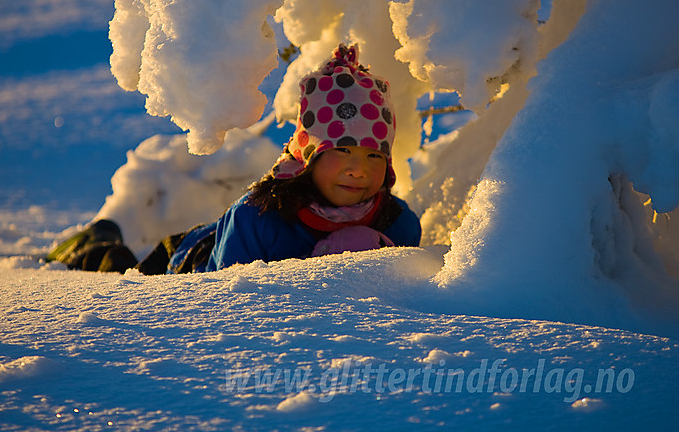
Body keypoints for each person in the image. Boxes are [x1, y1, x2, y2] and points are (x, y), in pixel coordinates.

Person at [47, 43, 421, 274]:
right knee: (114, 267)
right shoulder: (258, 218)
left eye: (374, 155)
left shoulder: (399, 224)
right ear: (308, 154)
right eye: (341, 150)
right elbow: (224, 303)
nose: (359, 169)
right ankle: (97, 237)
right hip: (189, 262)